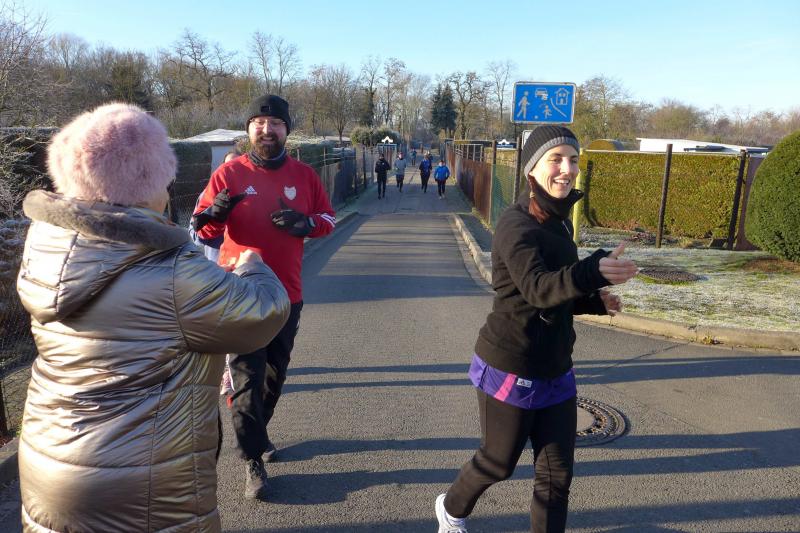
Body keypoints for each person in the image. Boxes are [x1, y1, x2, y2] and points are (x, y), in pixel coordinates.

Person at [16, 103, 290, 532]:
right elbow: (262, 314)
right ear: (144, 184)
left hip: (49, 459)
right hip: (139, 475)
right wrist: (253, 267)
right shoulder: (172, 270)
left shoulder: (48, 248)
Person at [434, 126, 637, 533]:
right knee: (498, 462)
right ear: (531, 169)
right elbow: (538, 288)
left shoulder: (559, 223)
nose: (567, 169)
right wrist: (592, 271)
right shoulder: (516, 225)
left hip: (556, 367)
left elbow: (559, 291)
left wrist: (595, 300)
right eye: (555, 159)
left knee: (556, 476)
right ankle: (451, 509)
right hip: (511, 364)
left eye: (573, 160)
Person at [192, 94, 336, 500]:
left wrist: (304, 223)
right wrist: (216, 214)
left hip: (287, 292)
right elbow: (201, 229)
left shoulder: (304, 175)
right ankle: (252, 458)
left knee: (274, 375)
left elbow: (328, 219)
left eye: (274, 124)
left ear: (286, 130)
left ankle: (258, 432)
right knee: (246, 378)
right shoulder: (229, 173)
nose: (266, 130)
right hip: (240, 292)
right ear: (249, 129)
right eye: (258, 122)